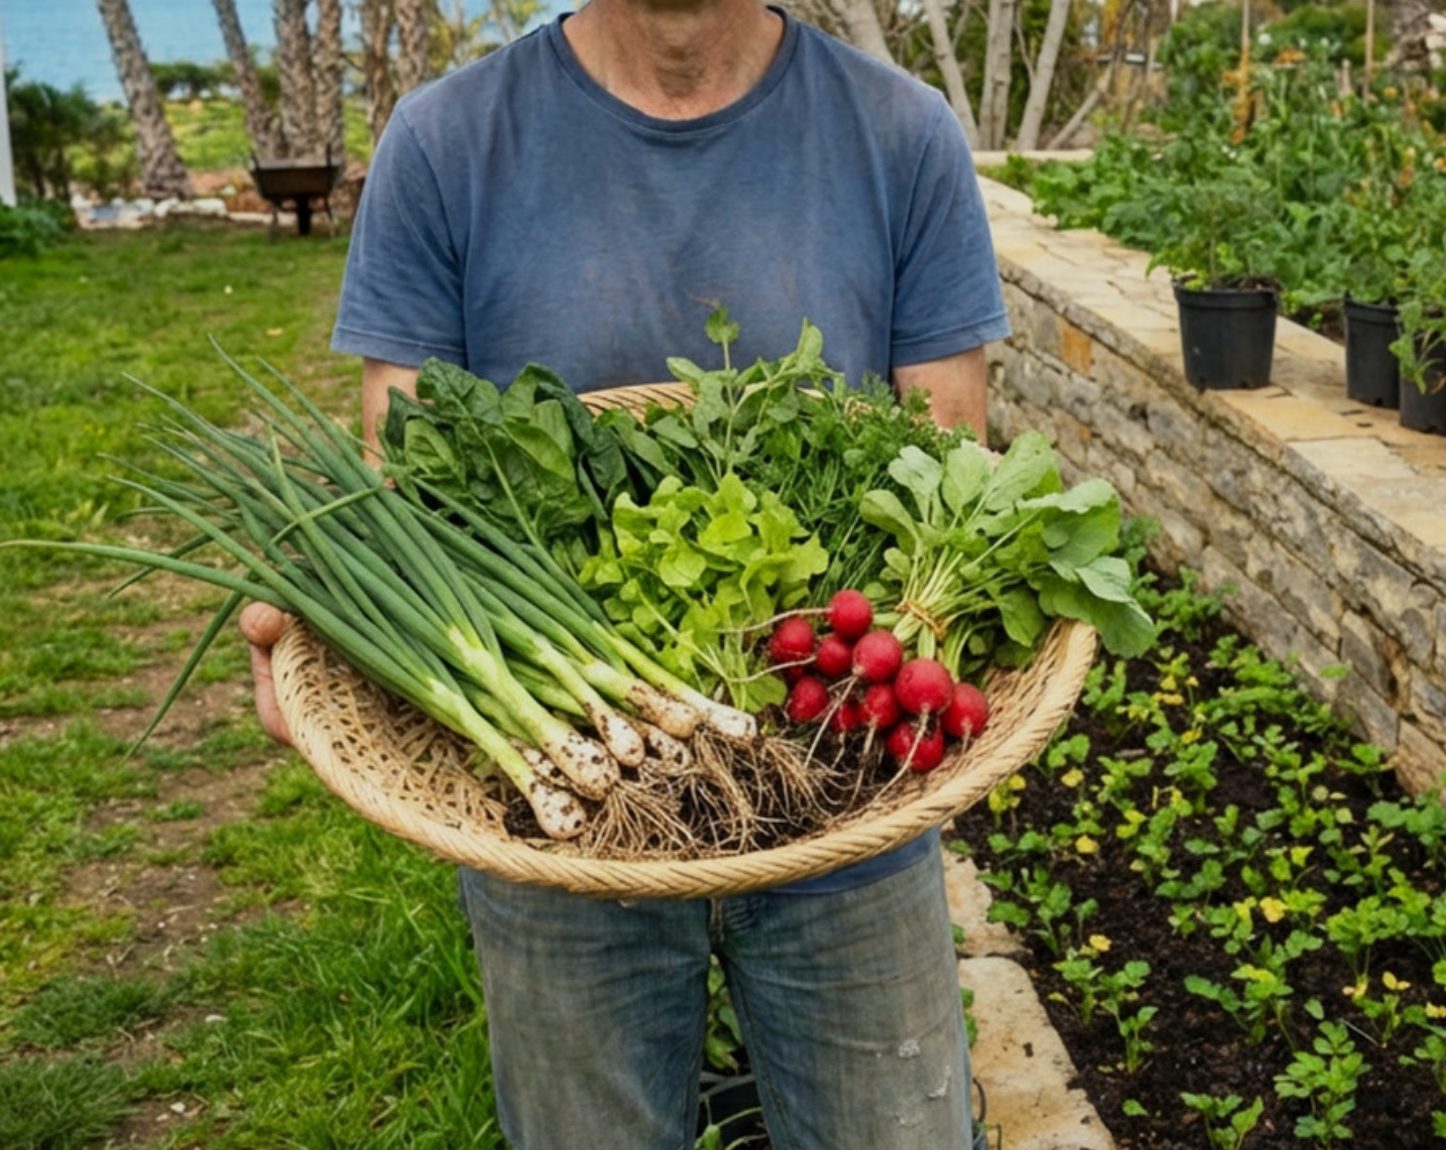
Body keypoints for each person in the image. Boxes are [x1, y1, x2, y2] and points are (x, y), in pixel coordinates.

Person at [241, 1, 1010, 1147]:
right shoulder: (447, 139)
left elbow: (950, 449)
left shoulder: (901, 131)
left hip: (842, 760)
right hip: (566, 797)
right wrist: (330, 621)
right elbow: (398, 473)